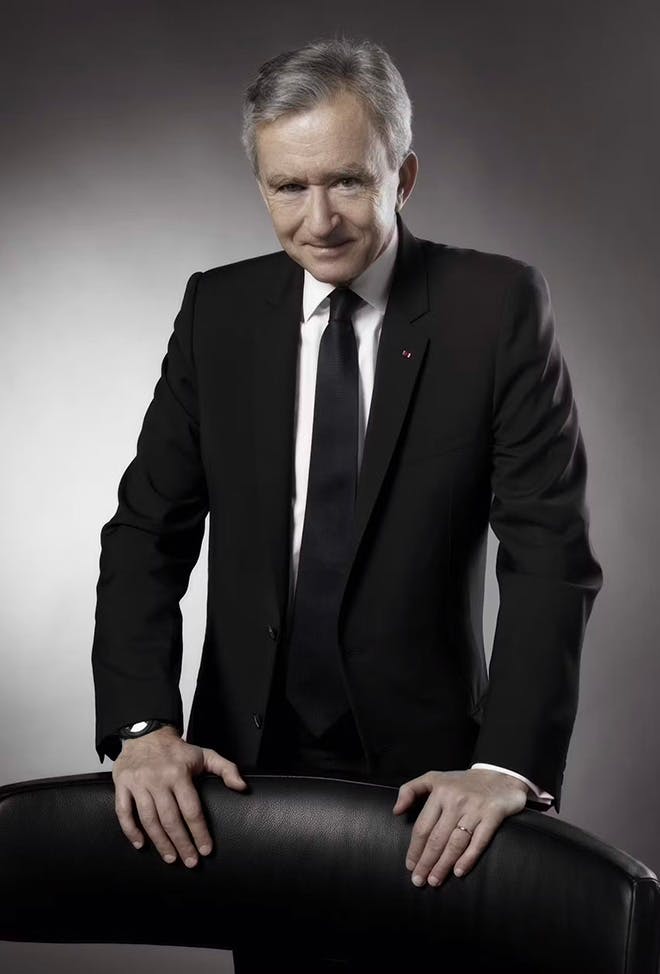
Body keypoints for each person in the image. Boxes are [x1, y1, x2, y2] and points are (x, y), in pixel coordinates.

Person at [91, 36, 603, 973]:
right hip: (244, 776)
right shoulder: (217, 311)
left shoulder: (495, 307)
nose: (318, 220)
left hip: (431, 785)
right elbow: (145, 532)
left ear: (402, 176)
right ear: (260, 185)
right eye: (289, 187)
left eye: (348, 183)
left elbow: (549, 553)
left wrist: (506, 766)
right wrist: (141, 727)